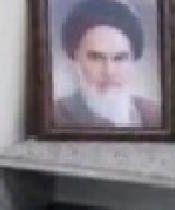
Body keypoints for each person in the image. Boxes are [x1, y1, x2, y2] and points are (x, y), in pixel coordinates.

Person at [54, 0, 162, 128]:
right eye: (96, 58)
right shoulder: (55, 117)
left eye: (119, 58)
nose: (109, 71)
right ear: (73, 61)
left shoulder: (154, 115)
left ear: (133, 61)